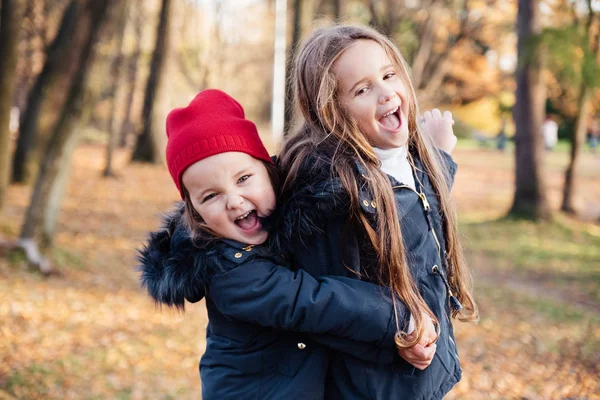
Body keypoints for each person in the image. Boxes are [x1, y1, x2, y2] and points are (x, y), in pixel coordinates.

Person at [137, 89, 433, 400]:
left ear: (268, 172)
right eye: (211, 196)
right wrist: (399, 318)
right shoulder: (228, 274)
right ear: (195, 214)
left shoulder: (286, 222)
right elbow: (310, 301)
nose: (234, 201)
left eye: (243, 179)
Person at [273, 25, 479, 399]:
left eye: (388, 75)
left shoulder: (405, 159)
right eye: (363, 89)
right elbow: (326, 303)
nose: (385, 93)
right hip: (373, 385)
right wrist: (398, 332)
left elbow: (413, 216)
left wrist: (438, 157)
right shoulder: (334, 193)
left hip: (424, 377)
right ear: (331, 111)